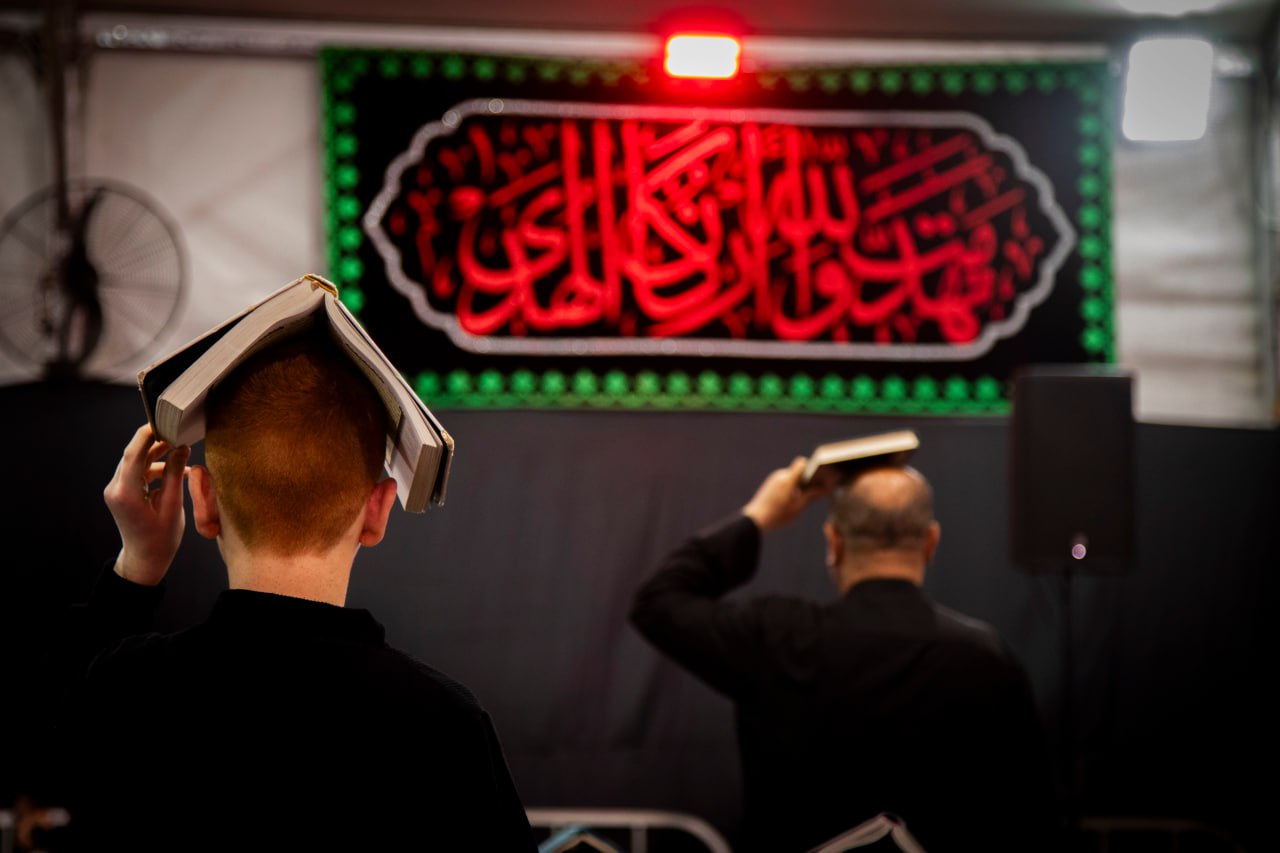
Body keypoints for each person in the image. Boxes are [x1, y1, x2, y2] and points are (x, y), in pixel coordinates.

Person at [50, 332, 538, 852]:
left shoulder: (125, 691)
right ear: (377, 512)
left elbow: (54, 728)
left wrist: (140, 564)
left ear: (203, 500)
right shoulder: (446, 726)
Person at [630, 457, 1061, 853]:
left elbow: (657, 603)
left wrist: (758, 516)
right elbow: (1032, 821)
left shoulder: (775, 639)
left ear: (833, 542)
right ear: (930, 542)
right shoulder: (985, 659)